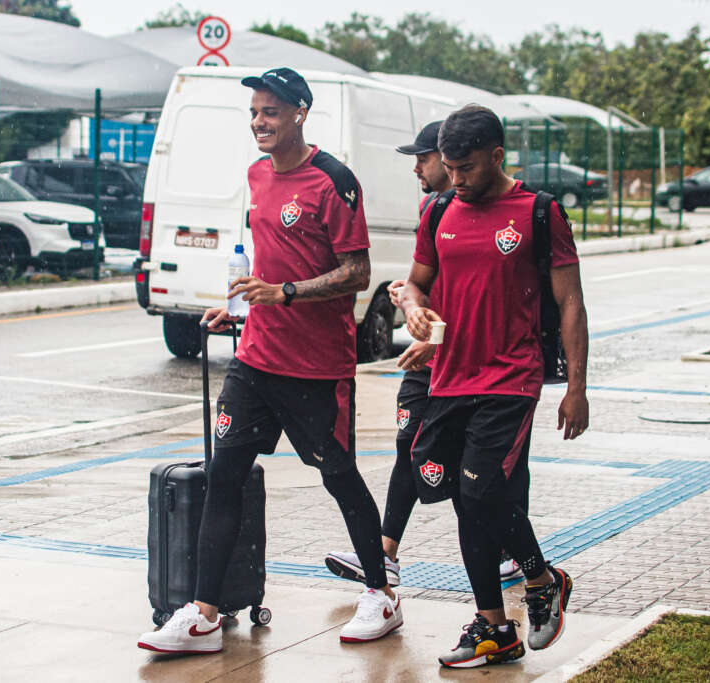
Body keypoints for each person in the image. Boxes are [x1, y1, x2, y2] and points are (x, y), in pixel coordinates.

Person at [137, 67, 401, 656]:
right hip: (255, 360)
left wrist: (285, 294)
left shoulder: (334, 181)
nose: (259, 122)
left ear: (300, 114)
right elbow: (266, 262)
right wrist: (240, 311)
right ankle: (203, 615)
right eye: (254, 112)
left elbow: (357, 273)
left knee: (339, 478)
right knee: (222, 478)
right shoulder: (256, 176)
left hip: (315, 368)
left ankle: (381, 594)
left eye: (271, 112)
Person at [400, 105, 589, 668]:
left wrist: (576, 387)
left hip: (510, 377)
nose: (454, 179)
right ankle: (494, 627)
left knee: (481, 492)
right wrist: (412, 308)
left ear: (497, 156)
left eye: (466, 168)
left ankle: (540, 579)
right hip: (449, 376)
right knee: (464, 503)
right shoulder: (438, 210)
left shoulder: (538, 212)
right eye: (449, 168)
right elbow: (415, 283)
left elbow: (571, 302)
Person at [324, 121, 522, 588]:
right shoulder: (434, 210)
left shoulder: (508, 210)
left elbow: (494, 301)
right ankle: (385, 551)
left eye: (425, 158)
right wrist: (411, 300)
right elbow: (426, 282)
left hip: (481, 369)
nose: (419, 167)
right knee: (412, 447)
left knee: (482, 475)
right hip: (430, 358)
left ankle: (512, 557)